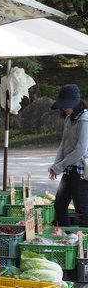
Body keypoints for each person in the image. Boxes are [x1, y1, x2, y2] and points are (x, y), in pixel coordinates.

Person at [49, 84, 88, 226]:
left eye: (67, 105)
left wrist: (59, 166)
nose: (64, 109)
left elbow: (80, 150)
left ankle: (83, 244)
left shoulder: (85, 120)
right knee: (59, 205)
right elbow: (63, 144)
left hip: (81, 171)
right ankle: (65, 236)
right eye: (63, 105)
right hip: (68, 169)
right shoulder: (69, 118)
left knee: (82, 211)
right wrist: (55, 166)